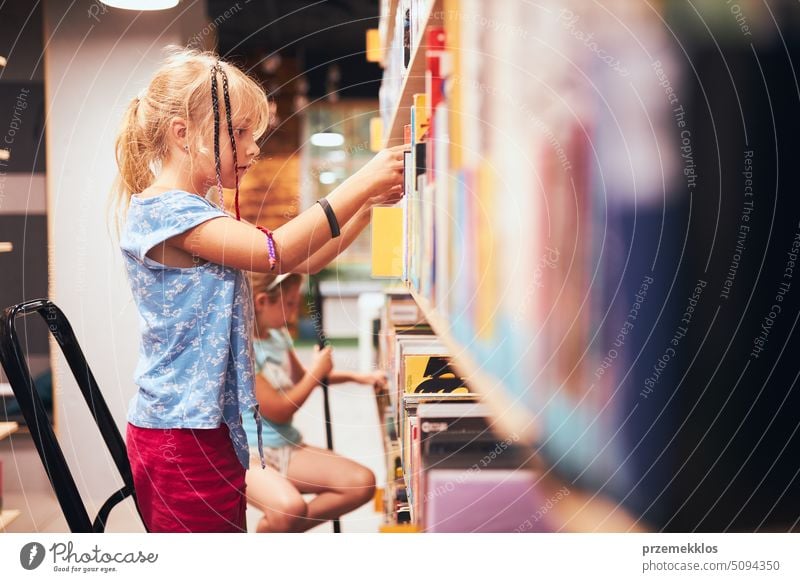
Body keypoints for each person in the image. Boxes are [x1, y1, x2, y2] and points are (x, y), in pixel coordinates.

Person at [109, 46, 405, 532]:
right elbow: (277, 253)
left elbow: (302, 260)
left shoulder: (198, 211)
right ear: (184, 134)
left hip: (208, 428)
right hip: (182, 434)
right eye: (240, 133)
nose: (253, 149)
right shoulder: (169, 213)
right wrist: (362, 178)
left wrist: (367, 204)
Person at [243, 272, 386, 532]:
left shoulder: (278, 338)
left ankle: (277, 529)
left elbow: (305, 377)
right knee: (290, 509)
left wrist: (361, 377)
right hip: (251, 455)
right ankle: (279, 527)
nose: (295, 311)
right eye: (289, 303)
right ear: (262, 302)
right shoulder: (245, 350)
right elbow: (281, 410)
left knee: (362, 483)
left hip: (288, 447)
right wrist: (316, 372)